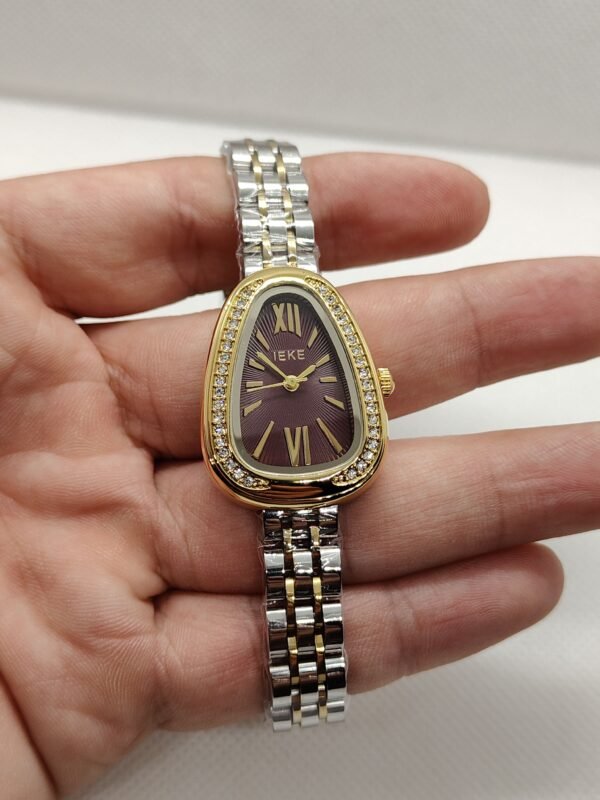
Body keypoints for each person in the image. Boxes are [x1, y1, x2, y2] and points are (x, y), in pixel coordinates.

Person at [0, 152, 597, 797]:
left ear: (372, 384)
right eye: (284, 376)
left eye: (302, 375)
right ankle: (304, 690)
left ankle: (305, 690)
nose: (291, 380)